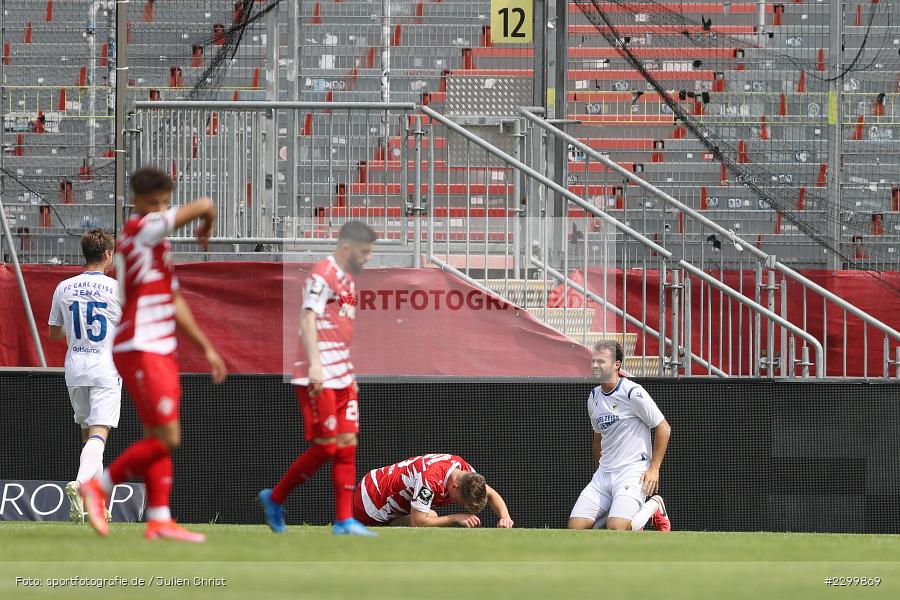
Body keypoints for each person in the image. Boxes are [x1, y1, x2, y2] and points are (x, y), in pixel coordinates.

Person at [80, 166, 228, 542]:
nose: (159, 210)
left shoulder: (157, 247)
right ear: (137, 202)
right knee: (169, 437)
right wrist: (206, 223)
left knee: (155, 435)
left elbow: (175, 301)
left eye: (163, 202)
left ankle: (159, 517)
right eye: (153, 203)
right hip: (140, 344)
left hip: (158, 345)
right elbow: (205, 205)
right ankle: (100, 485)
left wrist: (207, 347)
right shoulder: (138, 230)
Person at [259, 221, 378, 536]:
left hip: (342, 372)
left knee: (348, 443)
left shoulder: (348, 279)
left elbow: (338, 327)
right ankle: (275, 498)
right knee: (326, 447)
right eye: (365, 253)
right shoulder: (321, 274)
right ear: (347, 248)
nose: (368, 259)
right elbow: (306, 316)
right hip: (319, 371)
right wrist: (314, 365)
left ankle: (344, 521)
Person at [48, 230, 122, 523]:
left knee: (90, 437)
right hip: (106, 367)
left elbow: (54, 333)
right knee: (99, 435)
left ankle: (97, 506)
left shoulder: (64, 287)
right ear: (107, 254)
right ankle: (79, 485)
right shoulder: (117, 289)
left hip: (75, 367)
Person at [568, 341, 672, 532]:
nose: (596, 366)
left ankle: (655, 505)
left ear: (617, 364)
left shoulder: (633, 392)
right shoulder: (593, 397)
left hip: (632, 473)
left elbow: (663, 428)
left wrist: (654, 468)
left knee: (616, 528)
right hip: (604, 475)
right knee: (575, 529)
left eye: (602, 361)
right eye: (594, 361)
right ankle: (623, 514)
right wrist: (598, 473)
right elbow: (598, 439)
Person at [353, 453, 514, 528]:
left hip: (387, 500)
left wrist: (505, 517)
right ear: (454, 487)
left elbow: (491, 493)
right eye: (460, 501)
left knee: (431, 516)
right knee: (426, 519)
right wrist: (456, 517)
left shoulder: (465, 472)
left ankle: (392, 523)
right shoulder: (430, 480)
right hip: (369, 502)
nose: (459, 504)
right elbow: (418, 522)